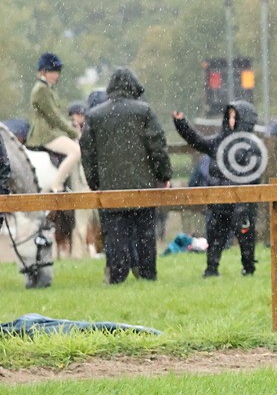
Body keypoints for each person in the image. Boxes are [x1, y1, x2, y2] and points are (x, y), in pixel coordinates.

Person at [79, 68, 172, 284]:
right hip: (143, 185)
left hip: (110, 187)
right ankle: (147, 275)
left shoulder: (95, 115)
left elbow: (88, 152)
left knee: (116, 235)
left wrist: (95, 182)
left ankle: (117, 275)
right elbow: (157, 147)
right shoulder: (144, 112)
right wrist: (163, 175)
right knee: (145, 234)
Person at [172, 101, 265, 277]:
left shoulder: (252, 145)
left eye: (235, 116)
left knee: (245, 236)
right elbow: (197, 141)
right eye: (229, 116)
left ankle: (248, 268)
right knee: (215, 234)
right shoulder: (219, 141)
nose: (231, 120)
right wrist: (181, 124)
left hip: (242, 201)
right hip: (219, 199)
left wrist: (240, 196)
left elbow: (253, 175)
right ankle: (211, 268)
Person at [27, 53, 81, 193]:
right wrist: (72, 131)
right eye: (52, 72)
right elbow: (54, 116)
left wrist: (70, 124)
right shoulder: (41, 90)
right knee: (75, 151)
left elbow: (57, 114)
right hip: (45, 133)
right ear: (43, 72)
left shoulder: (48, 88)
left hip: (51, 131)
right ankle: (56, 184)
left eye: (57, 72)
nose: (56, 75)